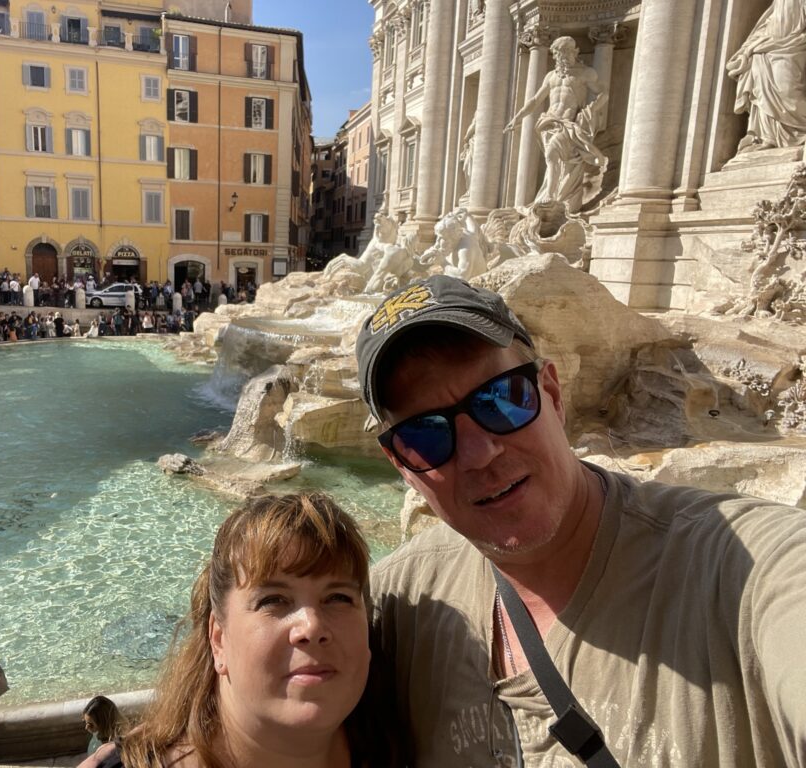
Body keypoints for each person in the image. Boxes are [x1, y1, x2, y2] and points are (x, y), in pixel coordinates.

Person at [356, 274, 806, 765]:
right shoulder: (397, 604)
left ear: (551, 393)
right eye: (426, 435)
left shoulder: (742, 570)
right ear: (403, 466)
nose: (480, 454)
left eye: (500, 400)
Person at [117, 492, 395, 768]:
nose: (311, 626)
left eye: (338, 598)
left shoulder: (395, 743)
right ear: (218, 640)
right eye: (273, 600)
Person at [504, 36, 607, 212]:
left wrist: (589, 111)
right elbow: (536, 99)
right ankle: (558, 195)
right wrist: (518, 117)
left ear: (575, 52)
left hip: (567, 123)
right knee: (556, 162)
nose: (563, 56)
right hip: (548, 122)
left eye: (566, 52)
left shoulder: (585, 73)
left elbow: (603, 94)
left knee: (552, 153)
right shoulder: (551, 76)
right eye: (559, 53)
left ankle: (550, 195)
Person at [726, 0, 806, 152]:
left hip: (793, 46)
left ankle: (799, 133)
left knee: (787, 90)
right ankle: (767, 137)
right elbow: (768, 21)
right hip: (767, 47)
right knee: (762, 91)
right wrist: (750, 46)